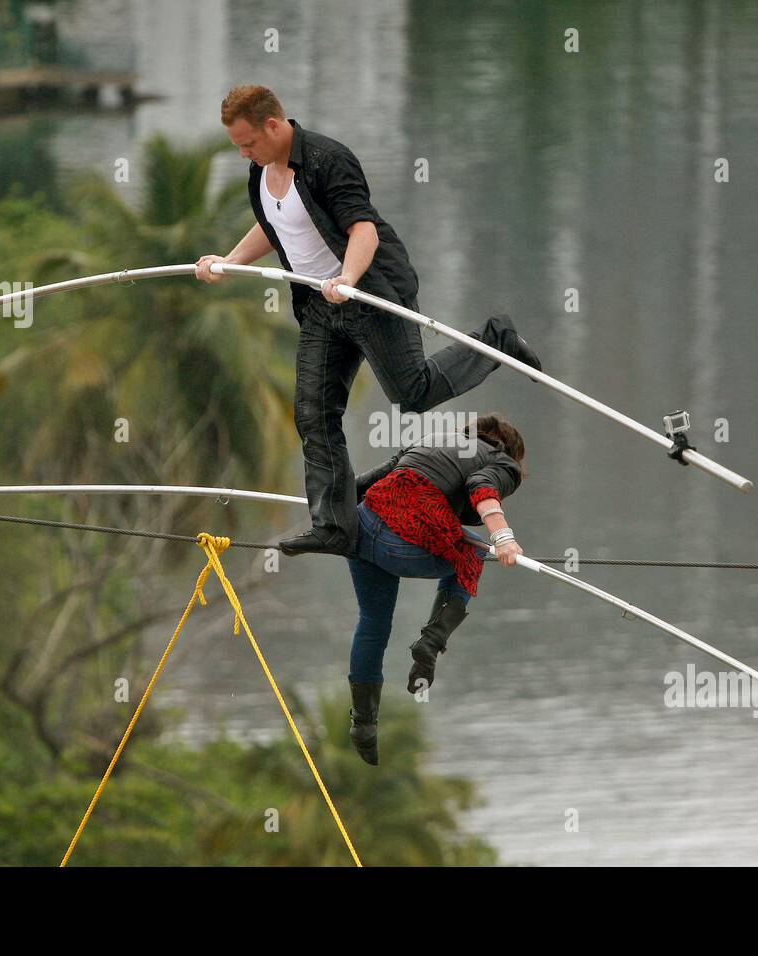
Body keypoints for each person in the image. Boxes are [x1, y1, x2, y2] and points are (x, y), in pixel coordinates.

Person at [195, 85, 541, 559]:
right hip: (319, 306)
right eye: (237, 145)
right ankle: (335, 525)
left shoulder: (326, 159)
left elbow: (363, 228)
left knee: (411, 392)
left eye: (247, 142)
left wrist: (347, 277)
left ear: (273, 125)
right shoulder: (259, 173)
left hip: (370, 291)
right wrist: (229, 260)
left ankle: (496, 341)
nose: (242, 152)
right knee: (314, 413)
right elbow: (276, 227)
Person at [342, 413, 526, 765]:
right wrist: (502, 538)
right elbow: (483, 488)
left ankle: (363, 725)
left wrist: (325, 517)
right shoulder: (501, 461)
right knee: (473, 549)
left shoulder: (434, 440)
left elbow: (365, 484)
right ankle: (431, 640)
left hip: (362, 530)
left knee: (373, 622)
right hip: (400, 543)